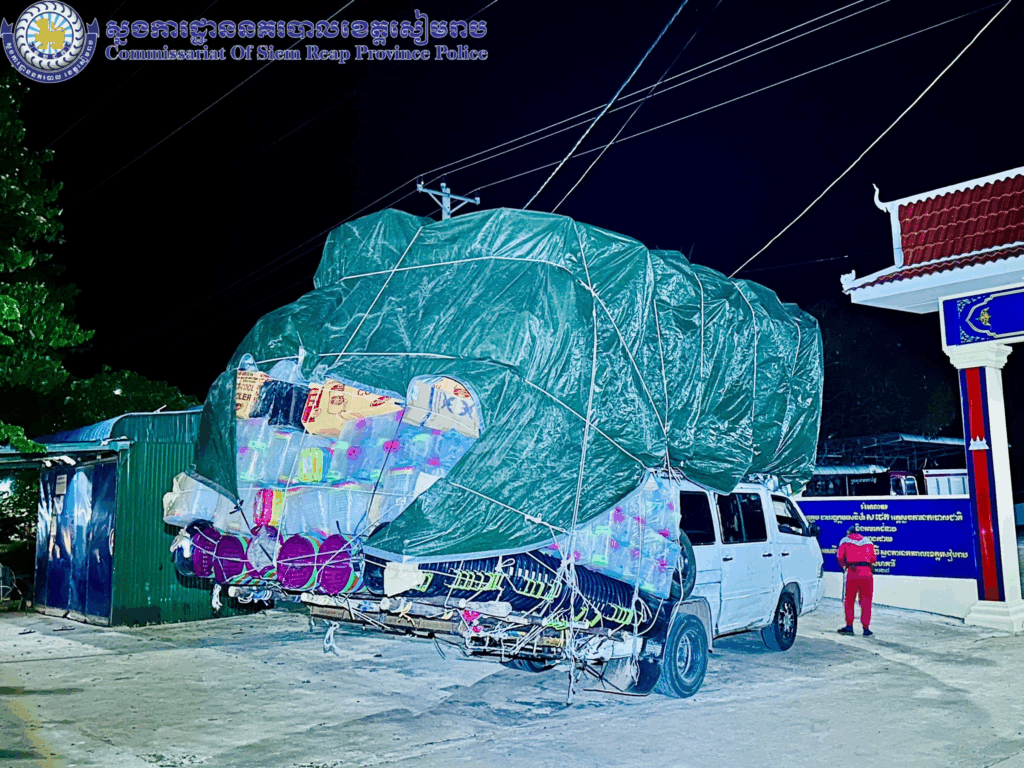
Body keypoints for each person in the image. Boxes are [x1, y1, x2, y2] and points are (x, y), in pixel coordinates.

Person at [836, 523, 876, 636]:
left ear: (849, 533)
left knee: (849, 600)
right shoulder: (868, 542)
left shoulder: (845, 540)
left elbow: (839, 557)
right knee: (866, 601)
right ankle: (866, 629)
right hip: (867, 573)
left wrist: (844, 566)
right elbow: (873, 558)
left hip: (853, 572)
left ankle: (849, 626)